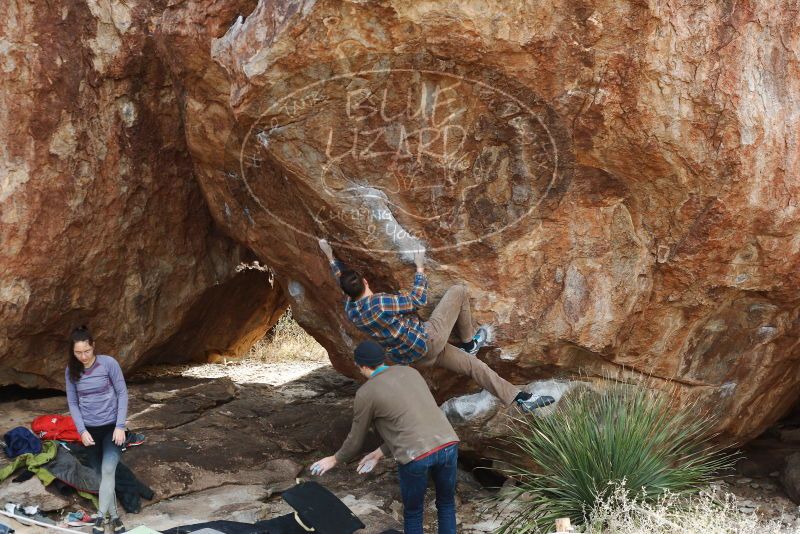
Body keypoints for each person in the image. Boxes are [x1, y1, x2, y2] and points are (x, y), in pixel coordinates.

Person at [319, 239, 554, 411]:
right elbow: (418, 299)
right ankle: (469, 341)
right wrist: (420, 267)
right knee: (459, 291)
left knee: (474, 367)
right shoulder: (380, 302)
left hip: (416, 358)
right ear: (366, 281)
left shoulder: (352, 311)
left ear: (347, 293)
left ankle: (521, 398)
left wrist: (330, 257)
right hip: (428, 340)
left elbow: (342, 279)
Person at [311, 341, 460, 534]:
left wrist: (334, 459)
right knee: (446, 503)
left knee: (414, 512)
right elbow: (412, 422)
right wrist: (378, 453)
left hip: (415, 455)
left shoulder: (366, 393)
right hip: (448, 443)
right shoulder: (410, 372)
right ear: (382, 359)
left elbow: (356, 439)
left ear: (363, 366)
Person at [65, 326, 128, 534]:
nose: (83, 356)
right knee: (102, 478)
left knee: (109, 470)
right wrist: (81, 431)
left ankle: (101, 518)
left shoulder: (108, 364)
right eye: (78, 352)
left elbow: (122, 393)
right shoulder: (71, 371)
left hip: (111, 428)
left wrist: (120, 426)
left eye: (87, 351)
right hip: (89, 432)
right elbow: (73, 403)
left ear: (93, 346)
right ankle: (116, 518)